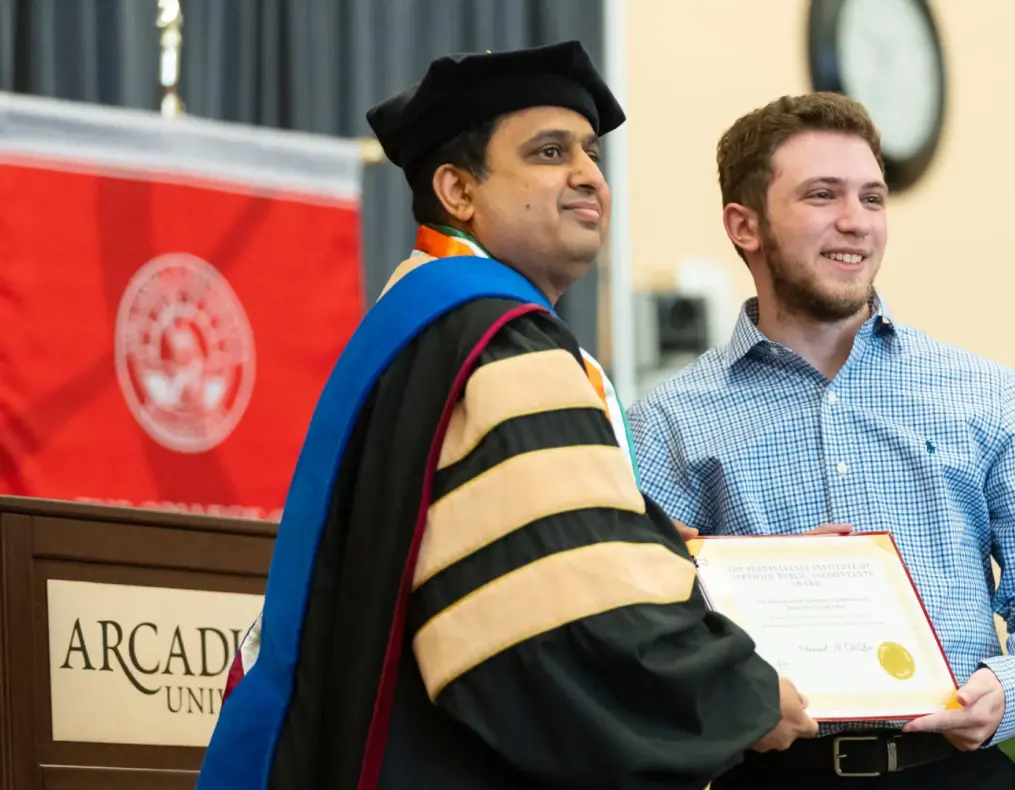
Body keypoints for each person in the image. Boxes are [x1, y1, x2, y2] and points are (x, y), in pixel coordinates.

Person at [195, 42, 817, 790]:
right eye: (550, 152)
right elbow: (560, 617)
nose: (588, 173)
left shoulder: (429, 319)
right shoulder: (499, 339)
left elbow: (524, 541)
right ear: (457, 189)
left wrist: (647, 543)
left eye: (590, 151)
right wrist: (739, 696)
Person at [626, 92, 1015, 788]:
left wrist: (1013, 686)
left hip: (958, 772)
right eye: (822, 195)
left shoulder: (983, 392)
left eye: (872, 198)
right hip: (773, 774)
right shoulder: (670, 421)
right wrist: (752, 591)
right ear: (745, 224)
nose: (856, 222)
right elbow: (644, 619)